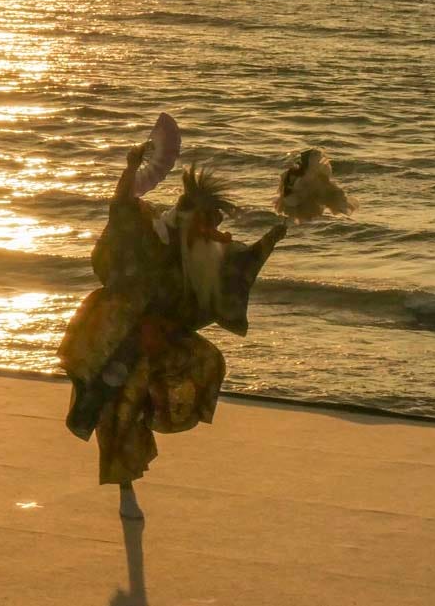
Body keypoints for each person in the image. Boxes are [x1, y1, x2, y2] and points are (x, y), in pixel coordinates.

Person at [58, 141, 286, 519]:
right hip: (118, 332)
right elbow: (121, 210)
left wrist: (270, 241)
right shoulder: (151, 233)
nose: (213, 234)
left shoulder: (195, 255)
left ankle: (146, 423)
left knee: (204, 361)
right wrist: (130, 170)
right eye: (208, 224)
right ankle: (124, 484)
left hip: (161, 335)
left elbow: (235, 270)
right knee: (117, 405)